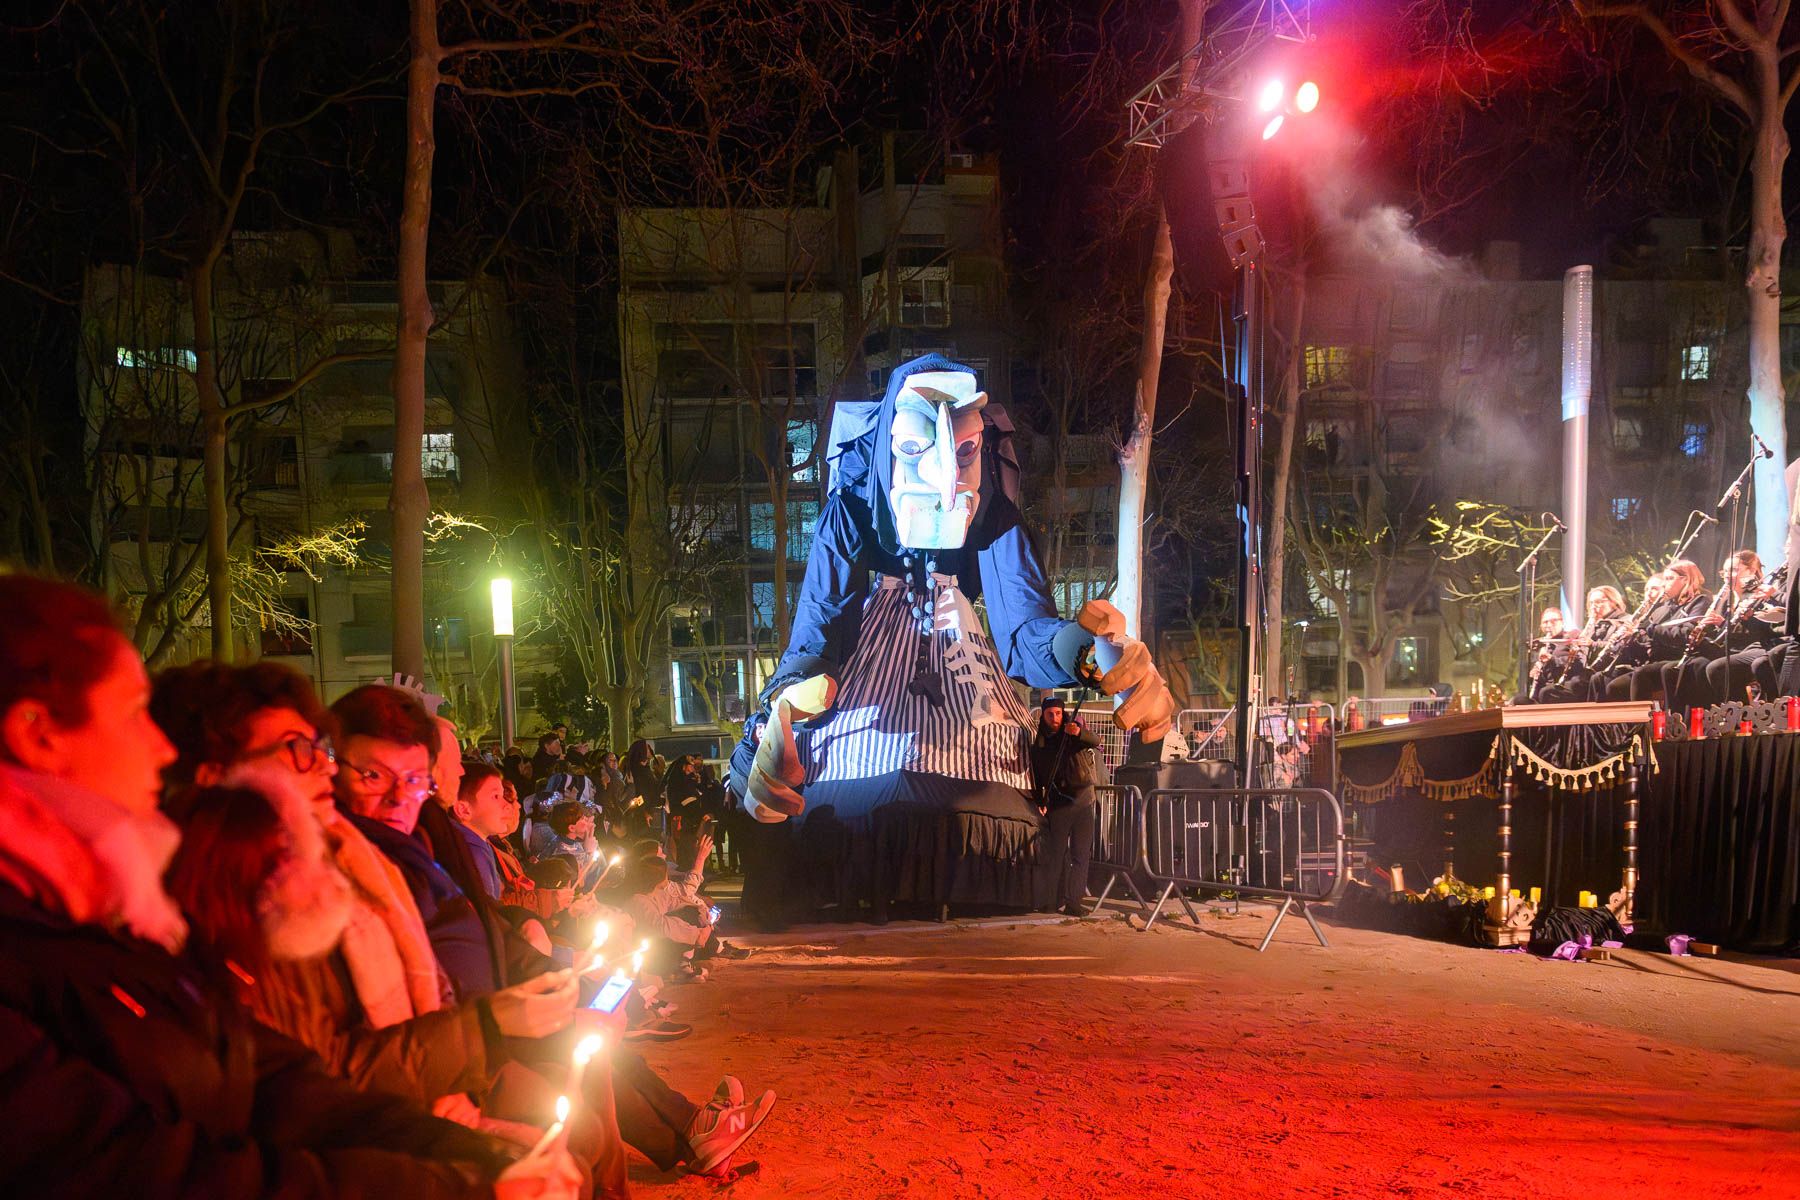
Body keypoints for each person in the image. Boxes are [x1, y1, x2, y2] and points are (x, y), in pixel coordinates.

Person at [0, 576, 578, 1200]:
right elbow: (147, 1168)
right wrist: (454, 1180)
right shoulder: (109, 925)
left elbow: (278, 1081)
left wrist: (472, 1159)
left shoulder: (111, 918)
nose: (158, 746)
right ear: (37, 732)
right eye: (133, 712)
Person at [328, 684, 775, 1179]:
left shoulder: (420, 841)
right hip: (468, 1039)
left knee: (599, 1055)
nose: (435, 778)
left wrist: (551, 971)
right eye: (374, 774)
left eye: (415, 776)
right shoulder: (364, 864)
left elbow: (484, 923)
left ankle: (692, 1130)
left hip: (502, 1010)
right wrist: (512, 1003)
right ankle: (691, 1130)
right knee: (583, 1111)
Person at [1030, 697, 1099, 917]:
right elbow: (1038, 777)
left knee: (1080, 855)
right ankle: (1051, 901)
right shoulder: (1040, 744)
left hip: (1083, 802)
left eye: (1058, 713)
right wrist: (1040, 800)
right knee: (1057, 855)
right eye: (1050, 714)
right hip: (1059, 806)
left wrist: (1079, 733)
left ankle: (1074, 902)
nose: (1055, 718)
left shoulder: (1072, 734)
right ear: (1043, 715)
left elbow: (1095, 741)